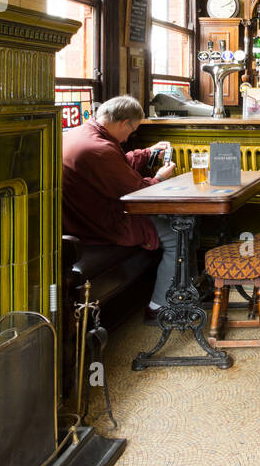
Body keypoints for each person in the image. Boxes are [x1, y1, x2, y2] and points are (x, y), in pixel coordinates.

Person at [62, 95, 178, 320]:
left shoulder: (82, 133)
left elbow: (113, 167)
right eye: (132, 130)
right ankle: (158, 307)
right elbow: (137, 191)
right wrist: (160, 178)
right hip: (98, 223)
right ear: (124, 123)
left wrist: (146, 153)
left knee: (174, 224)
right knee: (176, 234)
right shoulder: (99, 148)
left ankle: (179, 291)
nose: (128, 137)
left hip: (79, 217)